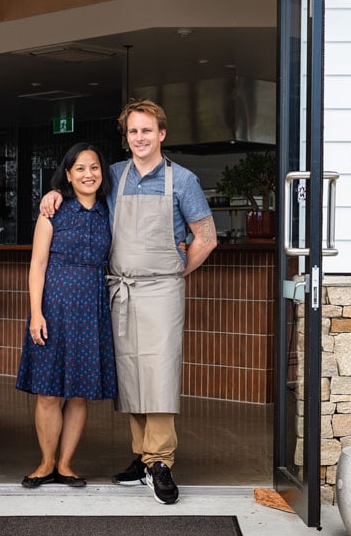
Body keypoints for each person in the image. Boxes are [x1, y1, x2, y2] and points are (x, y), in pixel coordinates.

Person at [40, 99, 217, 504]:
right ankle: (142, 457)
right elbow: (78, 186)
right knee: (131, 374)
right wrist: (52, 193)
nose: (140, 138)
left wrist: (174, 271)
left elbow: (206, 238)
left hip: (161, 290)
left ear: (162, 134)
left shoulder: (184, 181)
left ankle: (161, 462)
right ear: (127, 137)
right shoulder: (114, 175)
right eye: (133, 131)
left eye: (147, 130)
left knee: (159, 373)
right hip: (118, 288)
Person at [16, 142, 117, 489]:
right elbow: (37, 265)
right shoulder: (53, 211)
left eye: (94, 168)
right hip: (54, 306)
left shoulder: (110, 208)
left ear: (102, 173)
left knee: (79, 393)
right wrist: (35, 313)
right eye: (80, 169)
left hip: (92, 307)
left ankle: (66, 464)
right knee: (48, 392)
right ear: (69, 175)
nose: (88, 174)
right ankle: (45, 464)